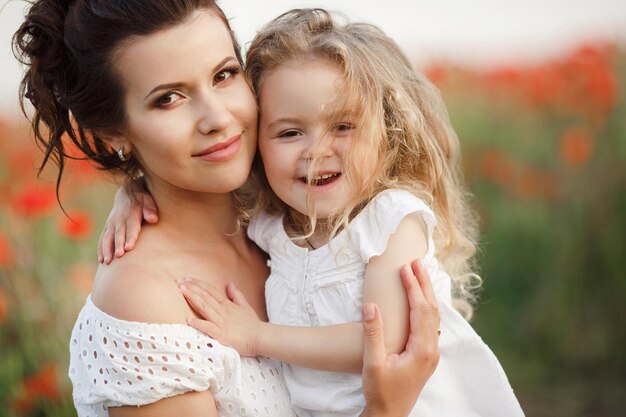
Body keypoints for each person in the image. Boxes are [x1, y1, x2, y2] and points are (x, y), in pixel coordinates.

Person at [13, 1, 440, 416]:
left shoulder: (288, 206)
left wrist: (135, 184)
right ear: (112, 135)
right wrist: (385, 409)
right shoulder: (144, 302)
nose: (217, 117)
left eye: (223, 74)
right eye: (168, 99)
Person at [102, 8, 524, 417]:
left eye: (343, 126)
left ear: (387, 131)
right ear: (262, 143)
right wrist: (135, 187)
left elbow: (383, 343)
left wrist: (258, 336)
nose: (316, 152)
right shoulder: (273, 220)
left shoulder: (390, 222)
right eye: (289, 132)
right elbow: (189, 180)